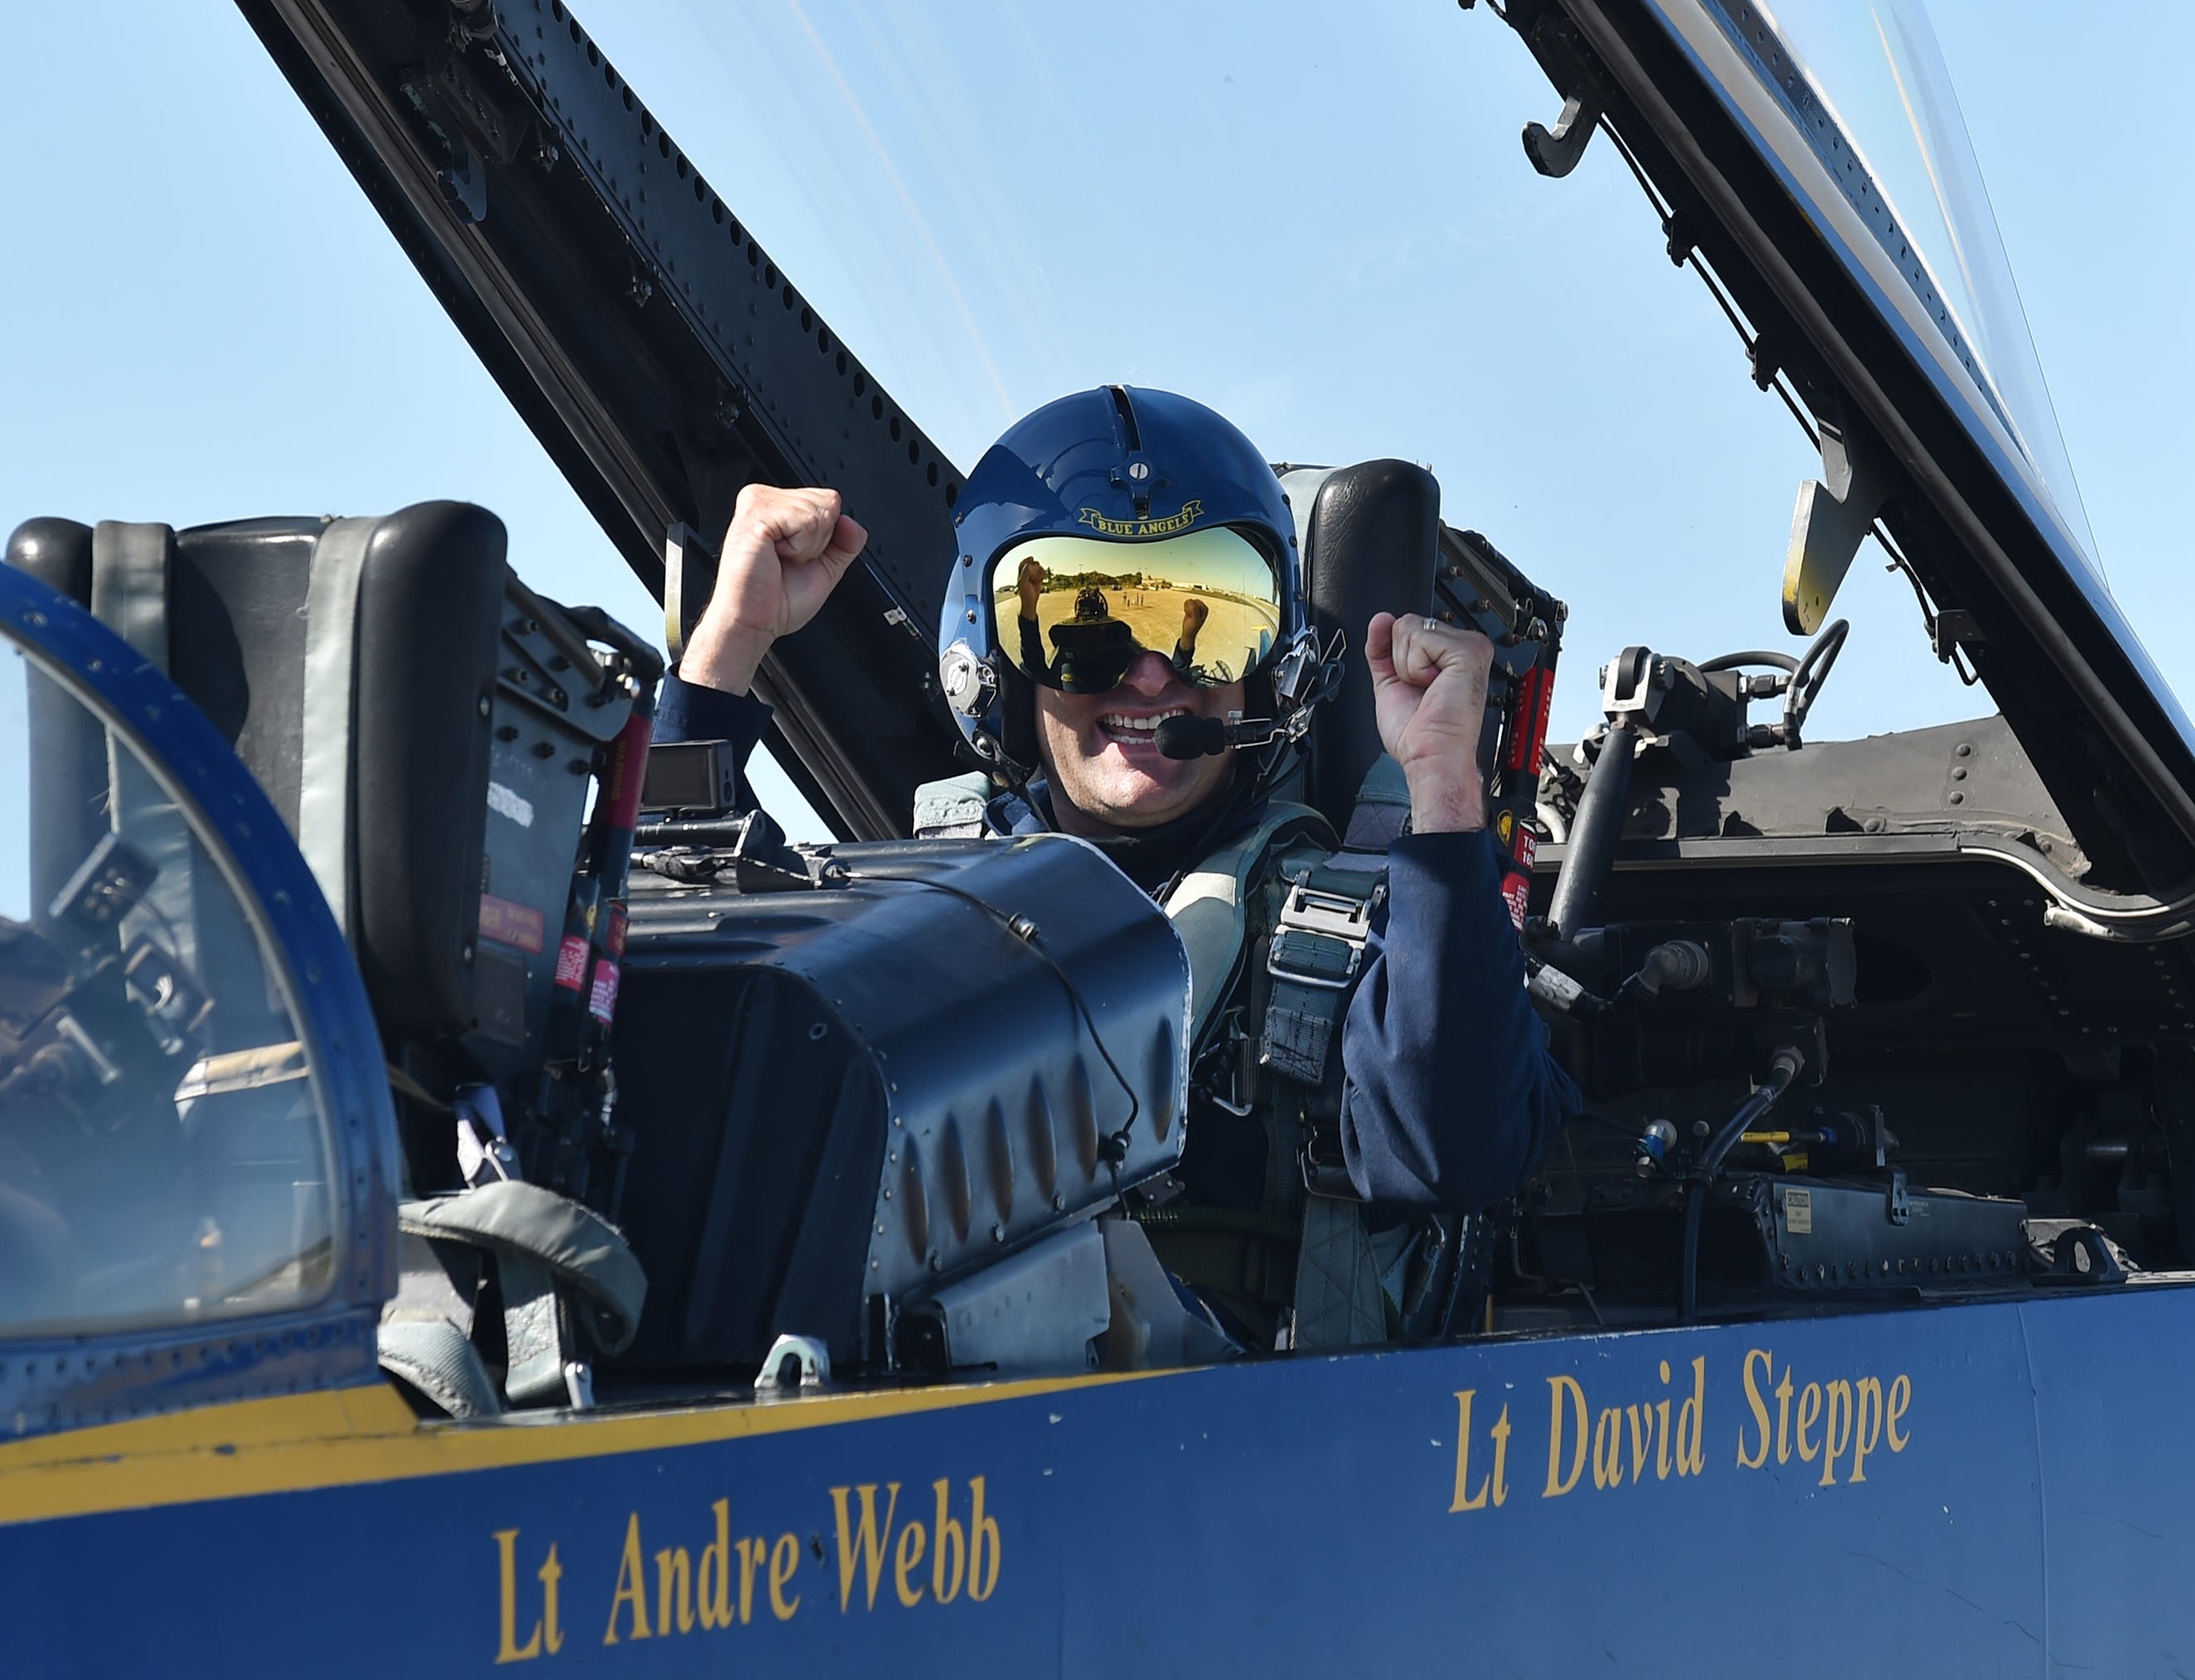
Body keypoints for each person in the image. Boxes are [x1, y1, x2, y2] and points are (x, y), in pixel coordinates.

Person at [658, 385, 1574, 1348]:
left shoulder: (1384, 943)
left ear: (1271, 667)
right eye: (1082, 626)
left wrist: (1441, 792)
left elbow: (1455, 1149)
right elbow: (695, 1010)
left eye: (1203, 623)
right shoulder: (917, 912)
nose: (1147, 674)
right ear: (994, 665)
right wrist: (726, 655)